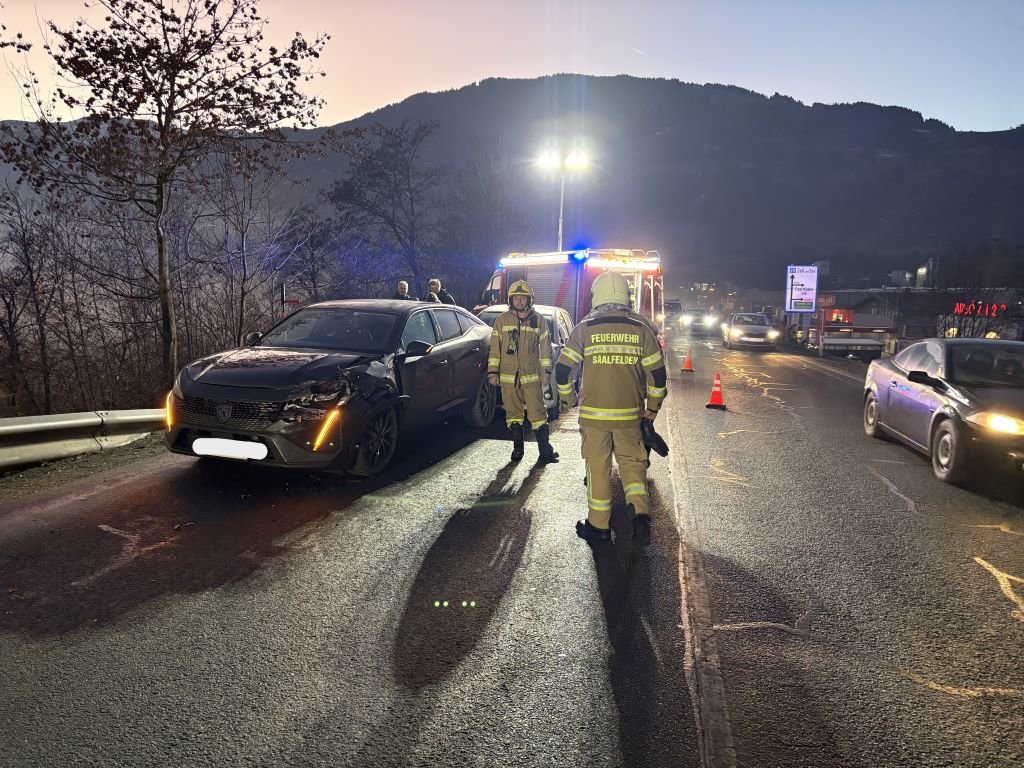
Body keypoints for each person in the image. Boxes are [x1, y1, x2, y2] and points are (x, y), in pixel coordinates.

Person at [555, 271, 667, 546]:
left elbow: (563, 370)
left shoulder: (585, 328)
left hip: (594, 418)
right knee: (632, 466)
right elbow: (657, 375)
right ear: (626, 297)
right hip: (630, 416)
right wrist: (652, 408)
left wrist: (570, 399)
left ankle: (599, 526)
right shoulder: (641, 329)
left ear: (597, 296)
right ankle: (640, 516)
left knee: (598, 469)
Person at [487, 280, 559, 465]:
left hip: (532, 377)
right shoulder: (502, 321)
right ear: (511, 300)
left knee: (538, 414)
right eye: (516, 298)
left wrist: (546, 372)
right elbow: (495, 349)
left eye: (523, 298)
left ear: (529, 299)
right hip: (508, 378)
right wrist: (493, 372)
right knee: (513, 415)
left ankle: (545, 450)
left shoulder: (539, 320)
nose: (519, 301)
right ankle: (518, 449)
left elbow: (546, 348)